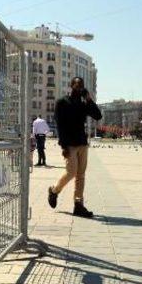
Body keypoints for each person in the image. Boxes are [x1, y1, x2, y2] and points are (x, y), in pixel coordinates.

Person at [48, 77, 102, 218]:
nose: (79, 87)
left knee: (81, 175)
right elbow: (59, 125)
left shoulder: (84, 104)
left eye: (81, 85)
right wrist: (63, 146)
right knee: (71, 172)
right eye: (77, 84)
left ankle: (78, 205)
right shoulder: (62, 102)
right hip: (70, 145)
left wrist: (89, 99)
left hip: (82, 143)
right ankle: (54, 191)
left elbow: (98, 115)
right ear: (71, 85)